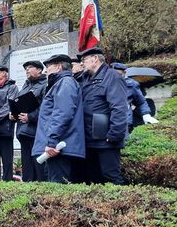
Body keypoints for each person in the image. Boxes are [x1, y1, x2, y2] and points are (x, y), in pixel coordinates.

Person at [78, 47, 129, 185]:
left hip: (107, 139)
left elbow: (119, 108)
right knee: (94, 178)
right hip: (90, 138)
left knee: (111, 176)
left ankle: (120, 205)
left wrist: (114, 134)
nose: (82, 63)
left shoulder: (112, 76)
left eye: (84, 60)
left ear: (95, 59)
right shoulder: (85, 79)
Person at [32, 54, 85, 183]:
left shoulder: (65, 83)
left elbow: (62, 114)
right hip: (58, 147)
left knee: (58, 188)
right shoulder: (60, 83)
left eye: (48, 67)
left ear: (58, 67)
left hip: (59, 148)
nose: (46, 70)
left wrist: (51, 142)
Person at [10, 60, 47, 182]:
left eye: (30, 67)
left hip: (36, 131)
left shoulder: (45, 85)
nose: (27, 70)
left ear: (39, 70)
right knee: (27, 166)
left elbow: (45, 107)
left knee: (38, 165)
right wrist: (14, 113)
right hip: (23, 131)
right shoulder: (26, 86)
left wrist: (30, 117)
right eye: (25, 68)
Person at [109, 62, 158, 132]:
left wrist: (146, 115)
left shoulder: (131, 84)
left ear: (124, 73)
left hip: (125, 122)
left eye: (119, 74)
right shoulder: (106, 83)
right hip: (108, 121)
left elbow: (141, 102)